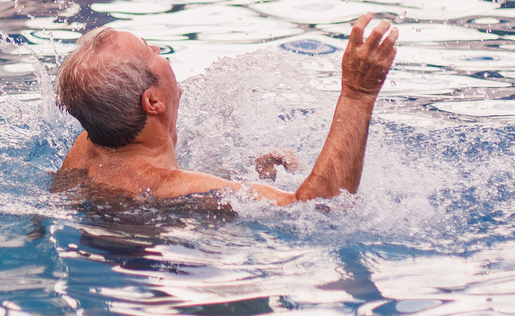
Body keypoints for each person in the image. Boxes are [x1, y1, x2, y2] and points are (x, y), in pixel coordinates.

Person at [54, 14, 398, 205]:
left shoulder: (86, 146)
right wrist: (358, 93)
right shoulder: (182, 191)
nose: (160, 48)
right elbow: (322, 208)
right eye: (151, 51)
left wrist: (248, 179)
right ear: (153, 102)